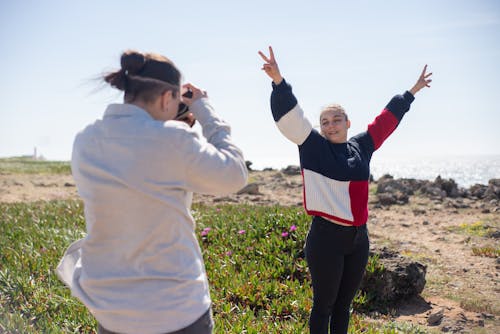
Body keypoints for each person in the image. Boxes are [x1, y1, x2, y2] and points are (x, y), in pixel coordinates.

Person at [57, 50, 248, 334]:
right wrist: (204, 108)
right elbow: (234, 173)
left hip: (112, 311)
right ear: (166, 98)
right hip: (176, 309)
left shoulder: (85, 140)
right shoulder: (173, 140)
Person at [258, 46, 432, 334]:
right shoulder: (313, 147)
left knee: (343, 306)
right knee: (323, 306)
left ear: (348, 122)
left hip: (358, 239)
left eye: (336, 119)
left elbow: (386, 120)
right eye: (325, 122)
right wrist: (278, 81)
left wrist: (412, 91)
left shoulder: (361, 146)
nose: (330, 125)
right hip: (325, 238)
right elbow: (292, 118)